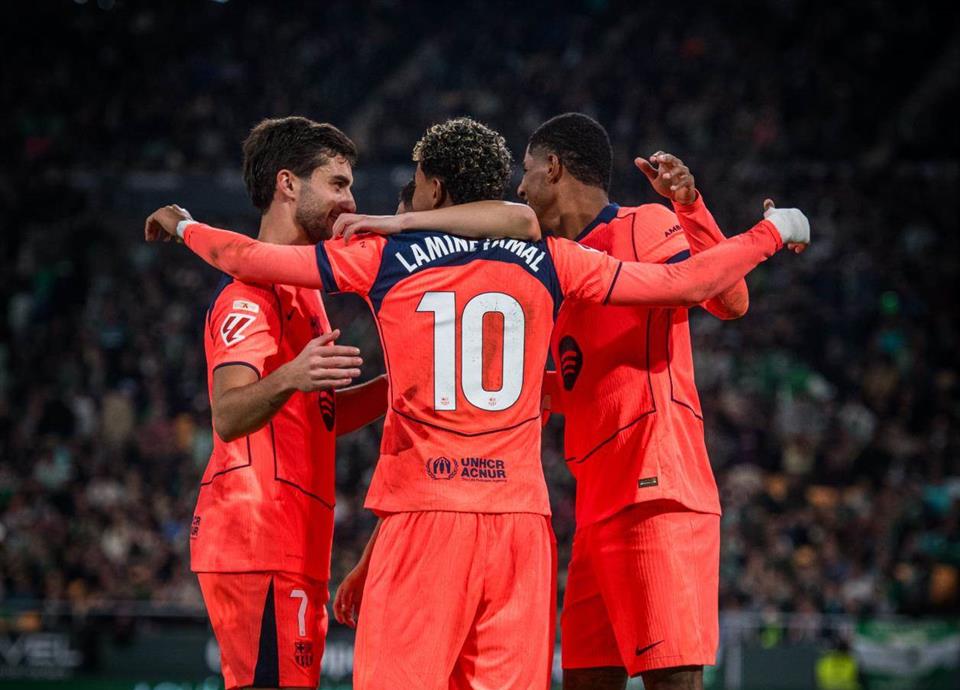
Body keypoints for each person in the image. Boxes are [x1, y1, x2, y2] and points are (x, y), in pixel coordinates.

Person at [145, 116, 809, 690]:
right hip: (521, 525)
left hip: (435, 514)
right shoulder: (552, 259)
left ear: (434, 188)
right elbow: (689, 282)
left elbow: (249, 258)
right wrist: (769, 231)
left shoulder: (384, 256)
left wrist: (186, 226)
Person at [518, 112, 780, 690]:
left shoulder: (642, 222)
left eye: (527, 171)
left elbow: (727, 300)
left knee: (671, 681)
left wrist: (691, 209)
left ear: (553, 168)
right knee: (584, 679)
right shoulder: (555, 266)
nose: (520, 188)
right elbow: (581, 379)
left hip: (655, 490)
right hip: (595, 507)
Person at [186, 116, 390, 690]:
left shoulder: (304, 290)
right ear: (287, 183)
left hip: (294, 541)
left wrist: (399, 386)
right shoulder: (246, 296)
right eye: (337, 183)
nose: (350, 202)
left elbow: (320, 417)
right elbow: (228, 414)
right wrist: (291, 376)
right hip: (257, 540)